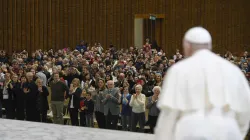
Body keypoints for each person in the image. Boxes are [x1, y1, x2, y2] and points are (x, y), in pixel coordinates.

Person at [155, 27, 250, 140]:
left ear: (187, 46)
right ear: (209, 46)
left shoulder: (179, 70)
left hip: (190, 132)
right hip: (228, 131)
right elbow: (245, 110)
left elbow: (169, 115)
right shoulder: (233, 70)